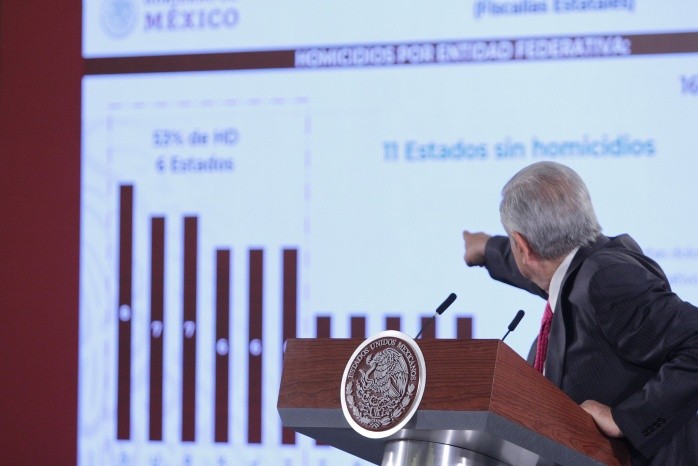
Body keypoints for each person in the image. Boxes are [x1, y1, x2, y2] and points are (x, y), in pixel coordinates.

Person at [462, 161, 698, 465]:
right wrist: (487, 249)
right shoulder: (577, 266)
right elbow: (532, 266)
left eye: (512, 241)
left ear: (522, 245)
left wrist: (626, 419)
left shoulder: (606, 281)